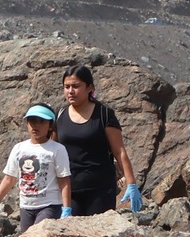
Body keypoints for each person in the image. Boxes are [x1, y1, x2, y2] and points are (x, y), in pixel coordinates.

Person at [57, 65, 144, 216]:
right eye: (67, 87)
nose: (70, 91)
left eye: (76, 86)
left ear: (90, 87)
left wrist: (131, 183)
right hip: (69, 190)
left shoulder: (104, 114)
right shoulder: (60, 115)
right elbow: (53, 151)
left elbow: (119, 151)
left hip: (100, 190)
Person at [0, 105, 73, 233]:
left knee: (38, 236)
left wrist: (66, 208)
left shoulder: (57, 149)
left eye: (41, 121)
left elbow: (64, 180)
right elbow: (9, 178)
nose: (36, 125)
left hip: (49, 205)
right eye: (32, 121)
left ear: (50, 126)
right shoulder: (19, 148)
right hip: (26, 206)